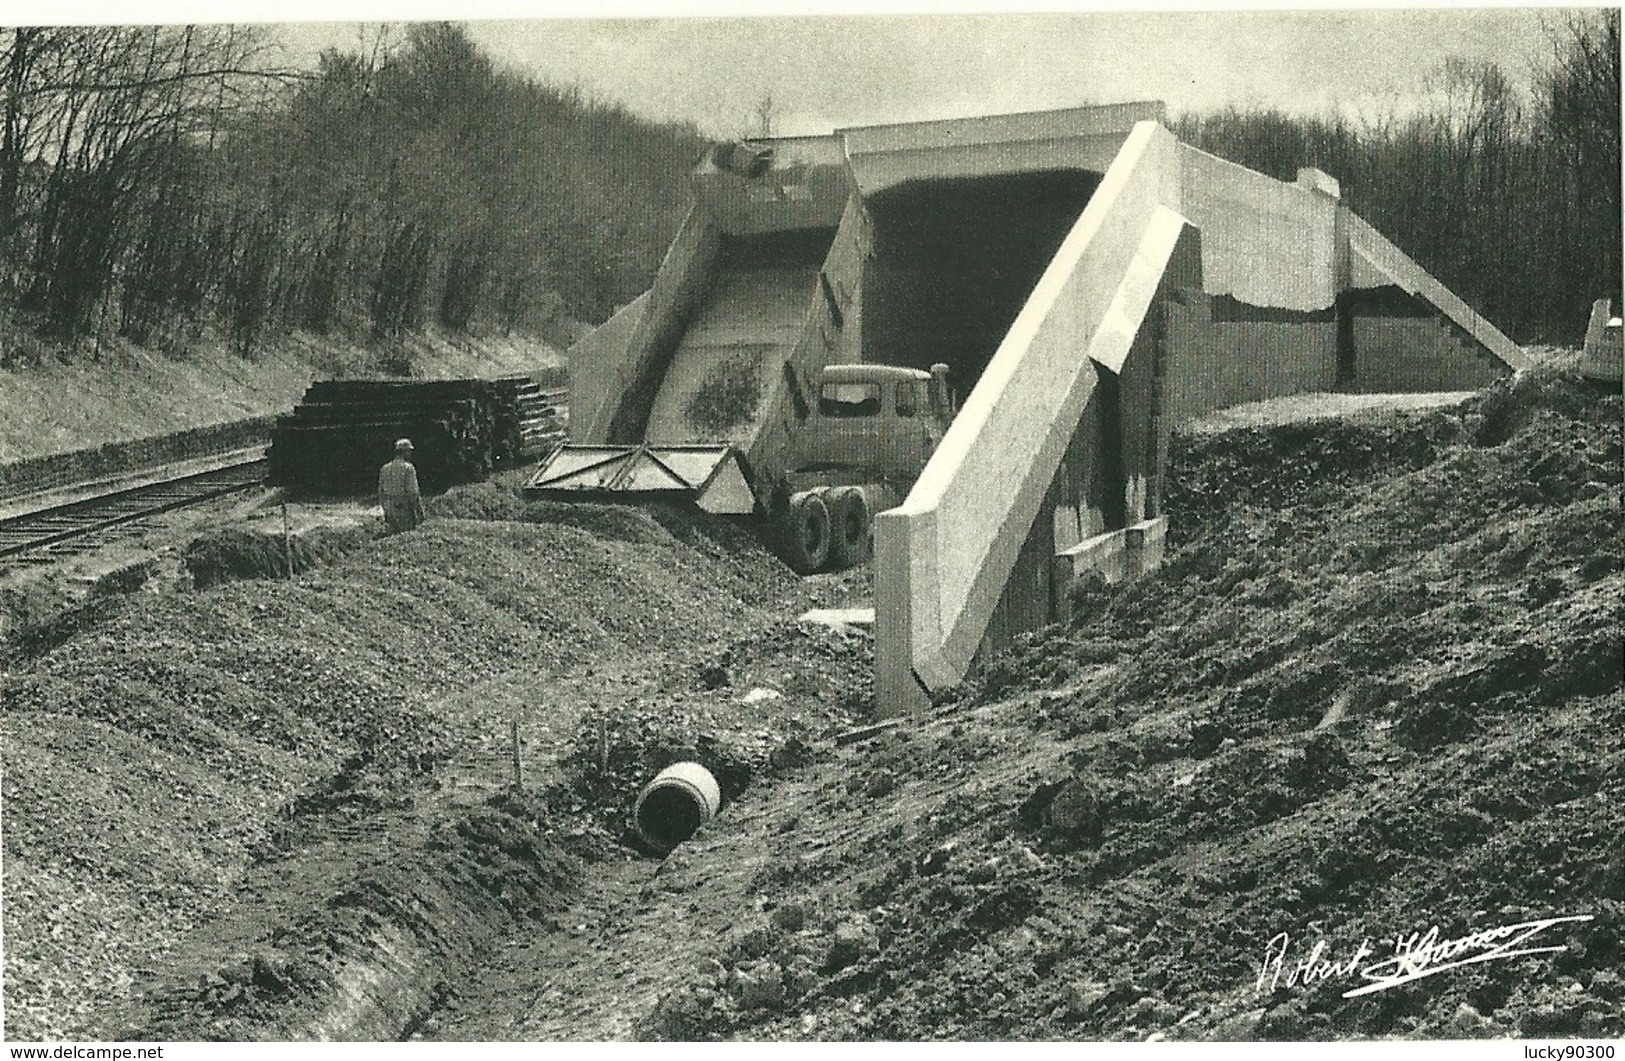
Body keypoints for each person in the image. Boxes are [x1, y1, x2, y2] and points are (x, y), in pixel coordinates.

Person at [379, 438, 426, 534]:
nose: (410, 454)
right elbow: (412, 493)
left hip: (389, 508)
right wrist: (419, 512)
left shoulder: (385, 468)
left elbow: (380, 491)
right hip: (403, 509)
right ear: (404, 452)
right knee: (406, 536)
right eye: (409, 451)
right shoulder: (408, 468)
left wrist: (385, 509)